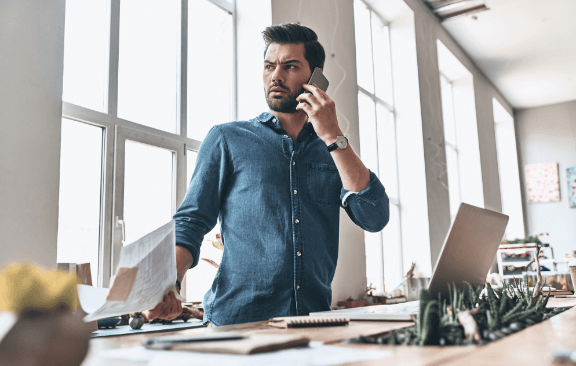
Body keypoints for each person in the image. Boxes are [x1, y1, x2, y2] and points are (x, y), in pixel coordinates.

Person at [145, 23, 390, 326]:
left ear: (316, 79)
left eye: (290, 66)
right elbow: (191, 221)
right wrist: (171, 280)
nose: (276, 75)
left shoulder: (333, 153)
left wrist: (333, 136)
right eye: (269, 66)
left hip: (313, 325)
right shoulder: (227, 139)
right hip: (237, 323)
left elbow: (374, 216)